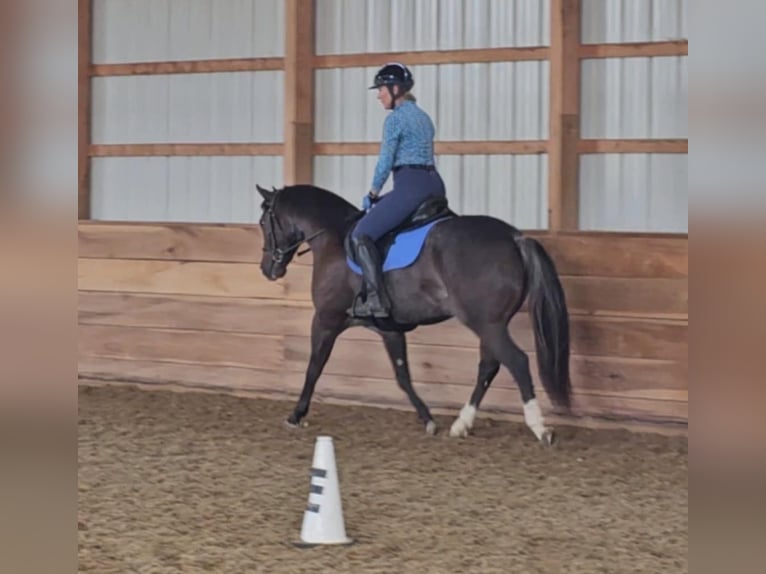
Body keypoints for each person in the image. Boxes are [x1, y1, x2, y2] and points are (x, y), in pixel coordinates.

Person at [349, 62, 447, 318]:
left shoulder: (395, 119)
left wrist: (372, 193)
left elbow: (385, 161)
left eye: (381, 89)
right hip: (434, 184)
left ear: (395, 88)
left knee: (362, 233)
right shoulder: (423, 116)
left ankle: (375, 299)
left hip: (411, 185)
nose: (379, 95)